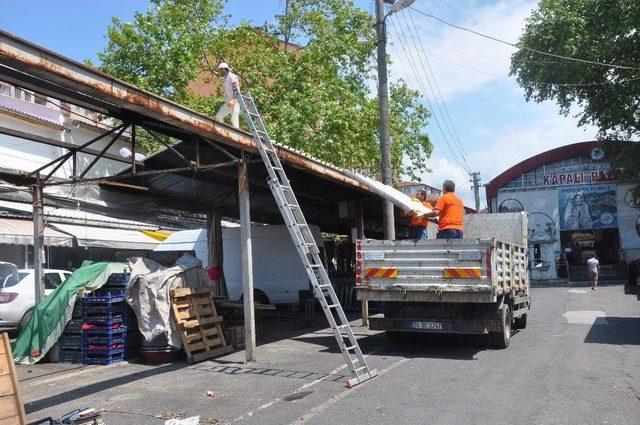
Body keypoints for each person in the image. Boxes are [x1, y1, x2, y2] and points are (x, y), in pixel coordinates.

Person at [215, 62, 240, 129]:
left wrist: (232, 101)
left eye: (219, 70)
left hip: (235, 101)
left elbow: (236, 90)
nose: (219, 72)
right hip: (228, 101)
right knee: (219, 116)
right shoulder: (226, 78)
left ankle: (236, 135)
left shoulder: (232, 77)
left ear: (223, 69)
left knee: (234, 119)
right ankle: (221, 131)